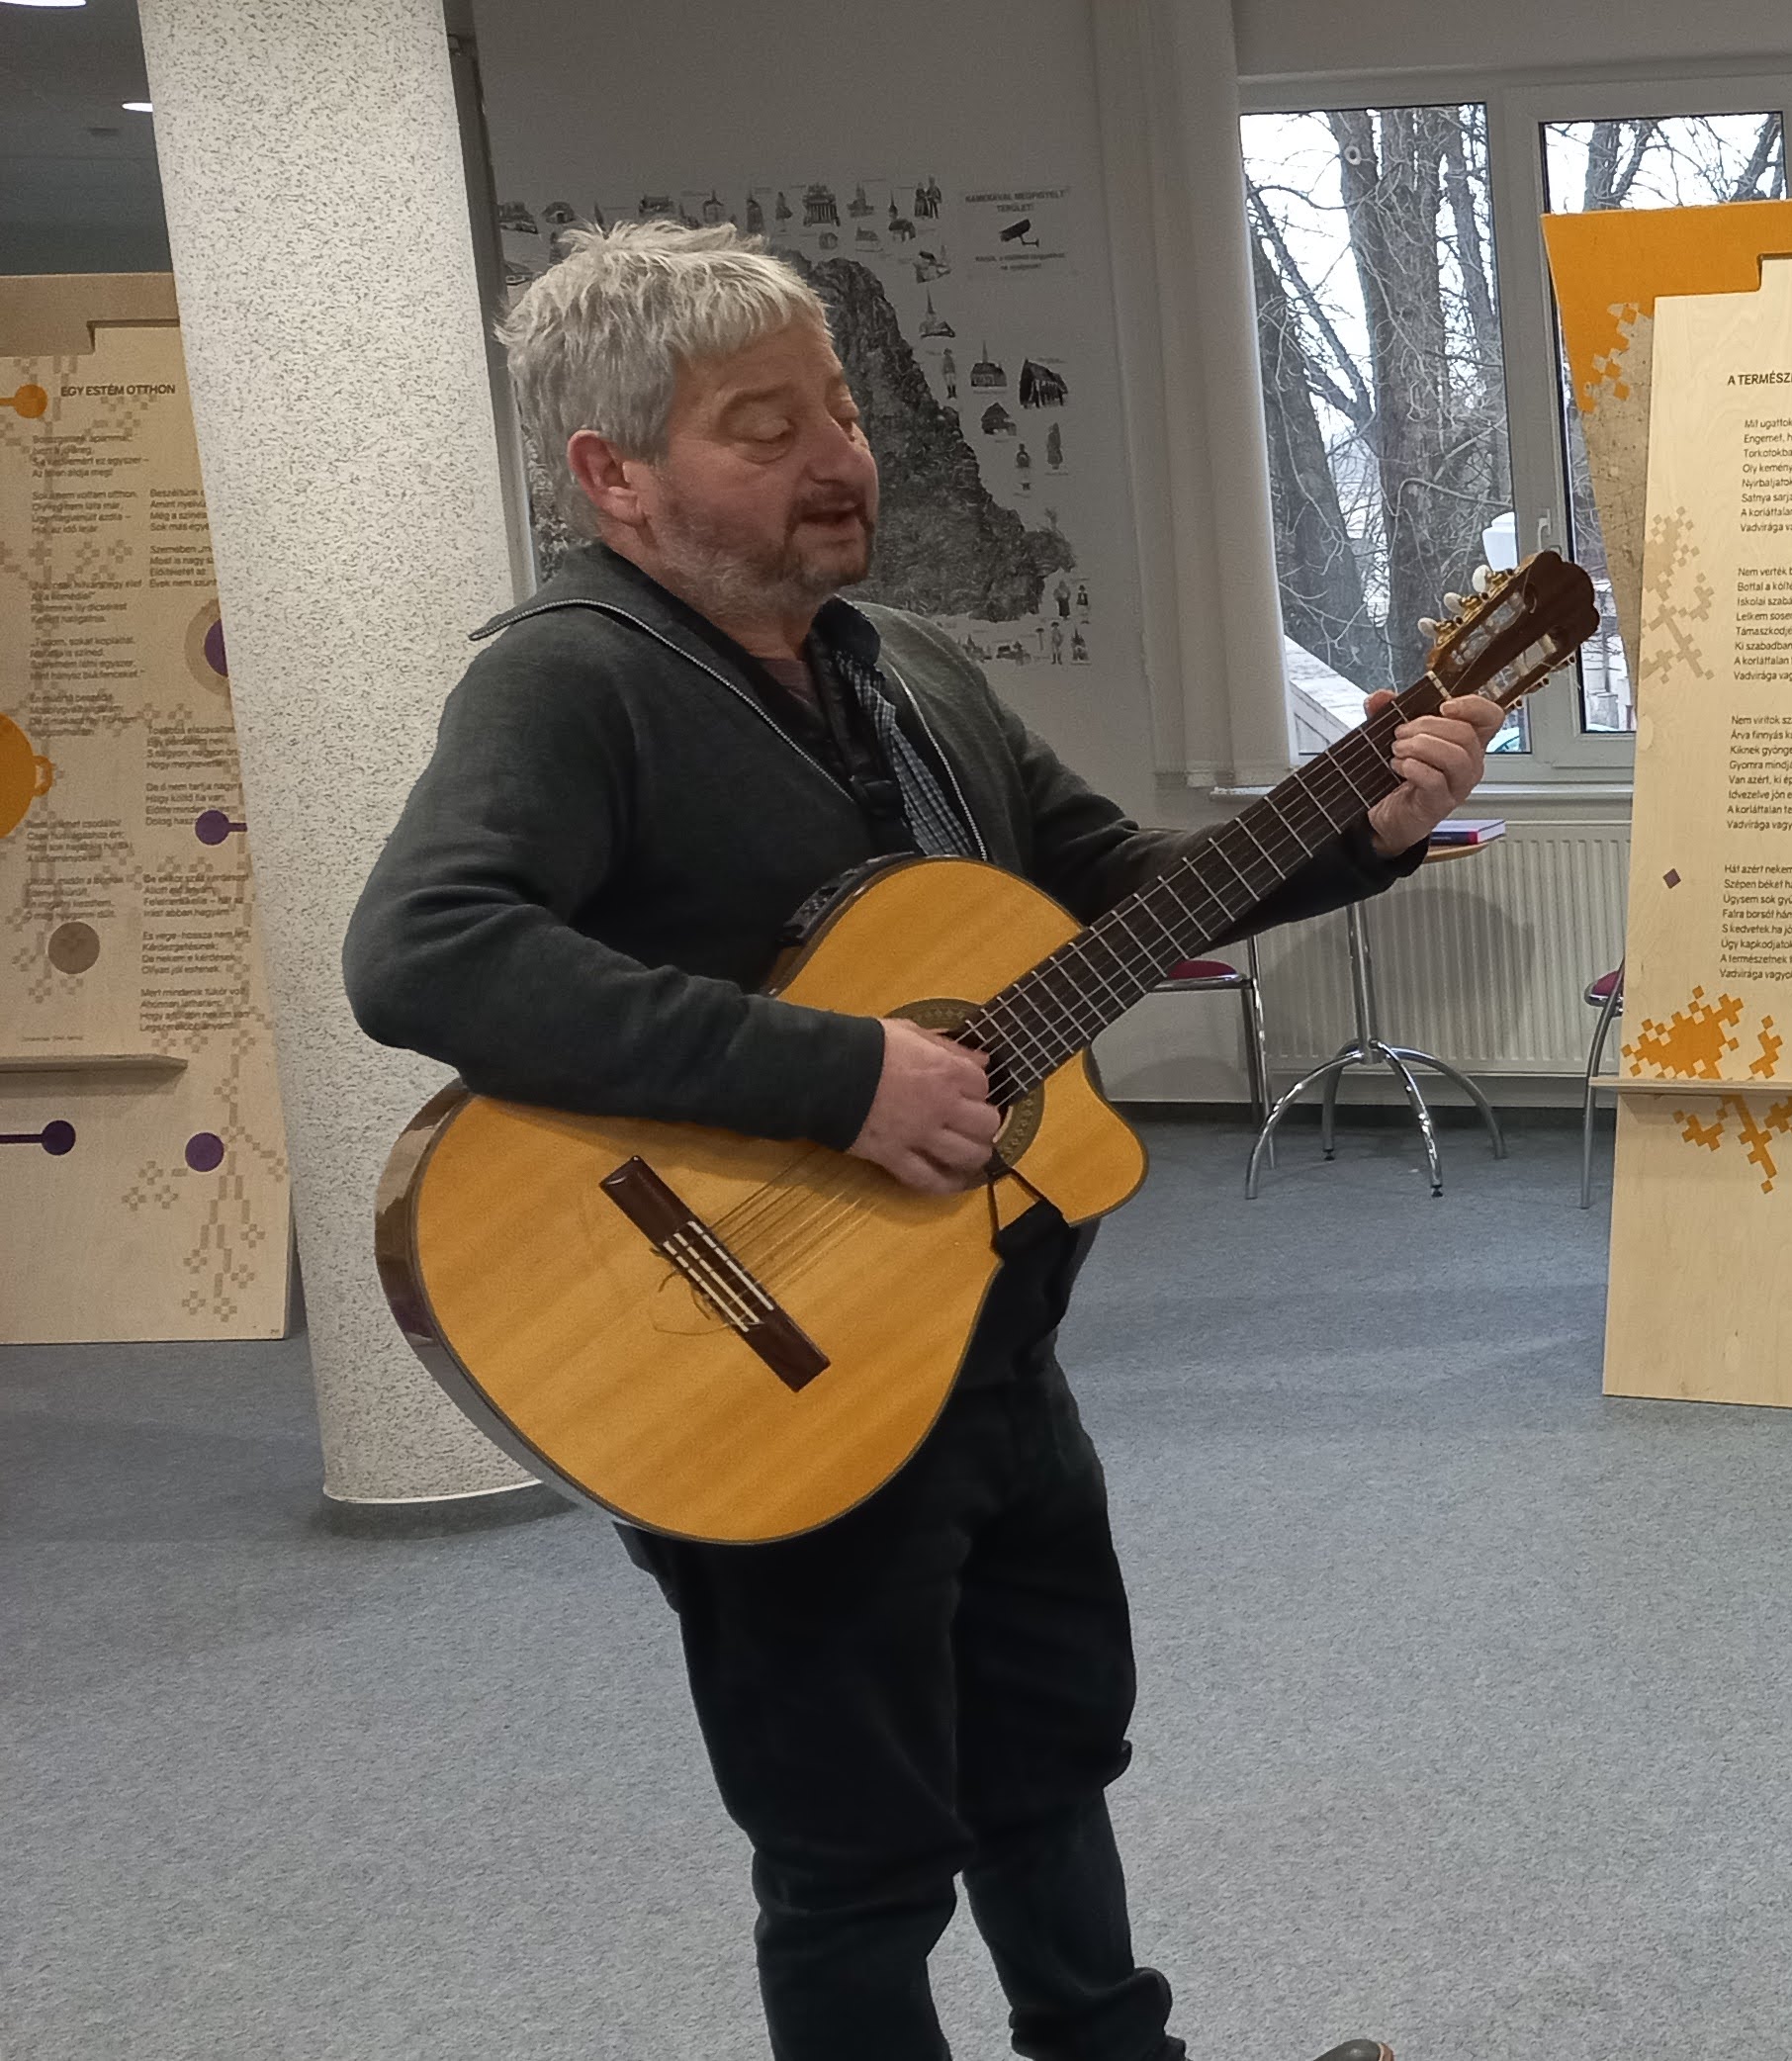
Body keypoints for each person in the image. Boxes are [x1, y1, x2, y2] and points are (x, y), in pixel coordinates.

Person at [341, 224, 1440, 2061]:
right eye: (764, 427)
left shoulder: (908, 667)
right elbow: (424, 949)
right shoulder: (568, 680)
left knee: (1049, 1752)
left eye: (840, 409)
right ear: (614, 474)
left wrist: (1359, 824)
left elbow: (1110, 892)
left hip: (976, 1332)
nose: (839, 455)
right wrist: (837, 1074)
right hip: (751, 1356)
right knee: (856, 1857)